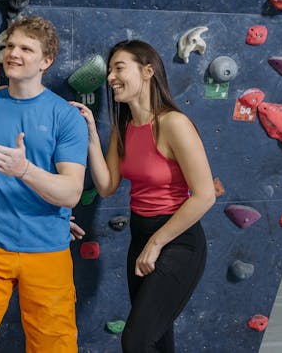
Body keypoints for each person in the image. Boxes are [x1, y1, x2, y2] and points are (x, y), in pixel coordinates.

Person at [0, 16, 88, 353]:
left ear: (46, 61)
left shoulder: (65, 116)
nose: (13, 53)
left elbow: (71, 191)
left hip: (48, 252)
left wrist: (24, 171)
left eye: (26, 48)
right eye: (10, 46)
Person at [70, 39, 215, 353]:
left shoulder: (173, 123)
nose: (110, 77)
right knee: (158, 341)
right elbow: (107, 186)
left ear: (148, 71)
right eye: (109, 70)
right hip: (141, 236)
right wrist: (93, 136)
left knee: (136, 341)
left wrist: (156, 243)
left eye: (119, 68)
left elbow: (204, 196)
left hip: (178, 241)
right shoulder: (123, 128)